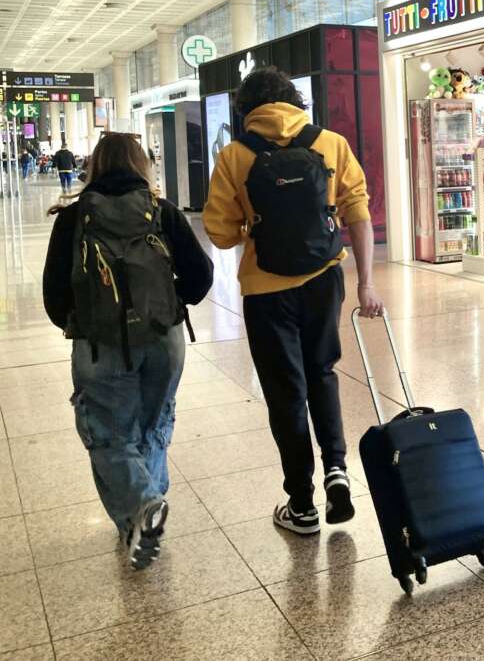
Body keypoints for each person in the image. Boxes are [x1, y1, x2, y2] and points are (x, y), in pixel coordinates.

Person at [203, 67, 384, 536]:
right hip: (324, 279)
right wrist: (365, 283)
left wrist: (255, 228)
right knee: (322, 371)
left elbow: (220, 235)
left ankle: (301, 503)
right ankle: (338, 472)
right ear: (294, 101)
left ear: (246, 110)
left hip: (266, 290)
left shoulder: (234, 156)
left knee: (285, 391)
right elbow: (358, 213)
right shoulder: (331, 143)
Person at [42, 133, 213, 569]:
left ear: (94, 166)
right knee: (154, 424)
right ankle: (140, 518)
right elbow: (202, 274)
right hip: (164, 338)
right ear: (143, 164)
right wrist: (169, 304)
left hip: (100, 344)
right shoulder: (162, 212)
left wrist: (84, 323)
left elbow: (53, 295)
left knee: (109, 433)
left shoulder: (75, 218)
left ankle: (142, 504)